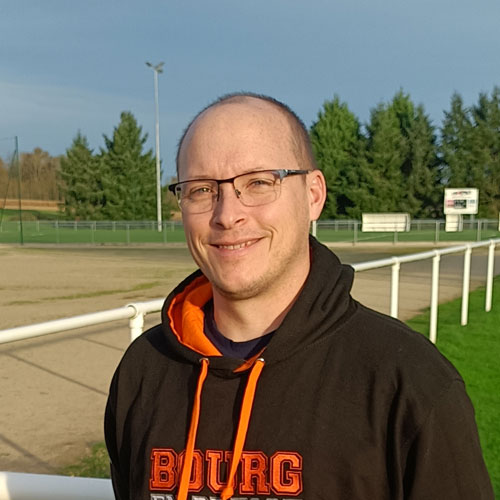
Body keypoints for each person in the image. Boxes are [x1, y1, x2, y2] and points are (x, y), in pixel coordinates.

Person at [105, 93, 493, 500]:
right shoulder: (143, 369)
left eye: (258, 182)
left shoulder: (409, 381)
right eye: (201, 189)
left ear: (313, 195)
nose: (227, 215)